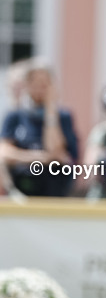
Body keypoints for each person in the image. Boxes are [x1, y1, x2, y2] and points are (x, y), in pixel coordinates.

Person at [0, 59, 78, 196]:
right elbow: (5, 153)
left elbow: (55, 149)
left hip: (53, 190)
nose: (39, 89)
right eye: (34, 83)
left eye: (44, 84)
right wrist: (40, 157)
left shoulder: (64, 117)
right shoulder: (15, 116)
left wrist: (50, 112)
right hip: (21, 189)